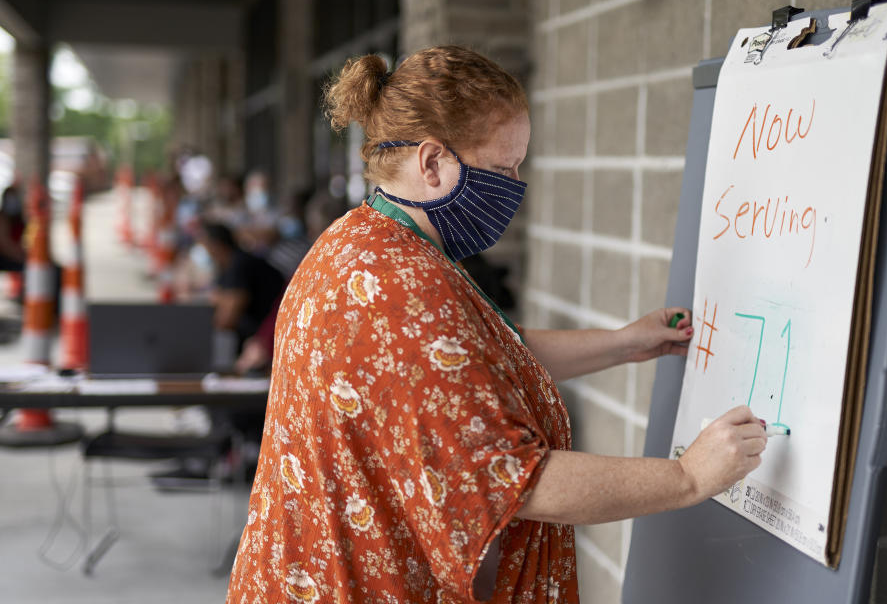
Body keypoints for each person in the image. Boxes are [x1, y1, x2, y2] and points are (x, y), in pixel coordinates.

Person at [225, 46, 766, 603]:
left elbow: (476, 358)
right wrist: (691, 477)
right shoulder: (397, 285)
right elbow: (514, 476)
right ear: (433, 164)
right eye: (504, 167)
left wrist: (627, 344)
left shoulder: (362, 241)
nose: (514, 185)